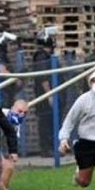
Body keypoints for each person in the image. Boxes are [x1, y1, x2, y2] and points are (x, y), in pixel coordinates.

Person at [32, 28, 57, 157]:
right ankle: (46, 149)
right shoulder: (41, 56)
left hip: (48, 95)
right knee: (46, 122)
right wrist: (49, 95)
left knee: (50, 121)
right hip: (45, 97)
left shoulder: (47, 56)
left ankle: (51, 148)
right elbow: (43, 77)